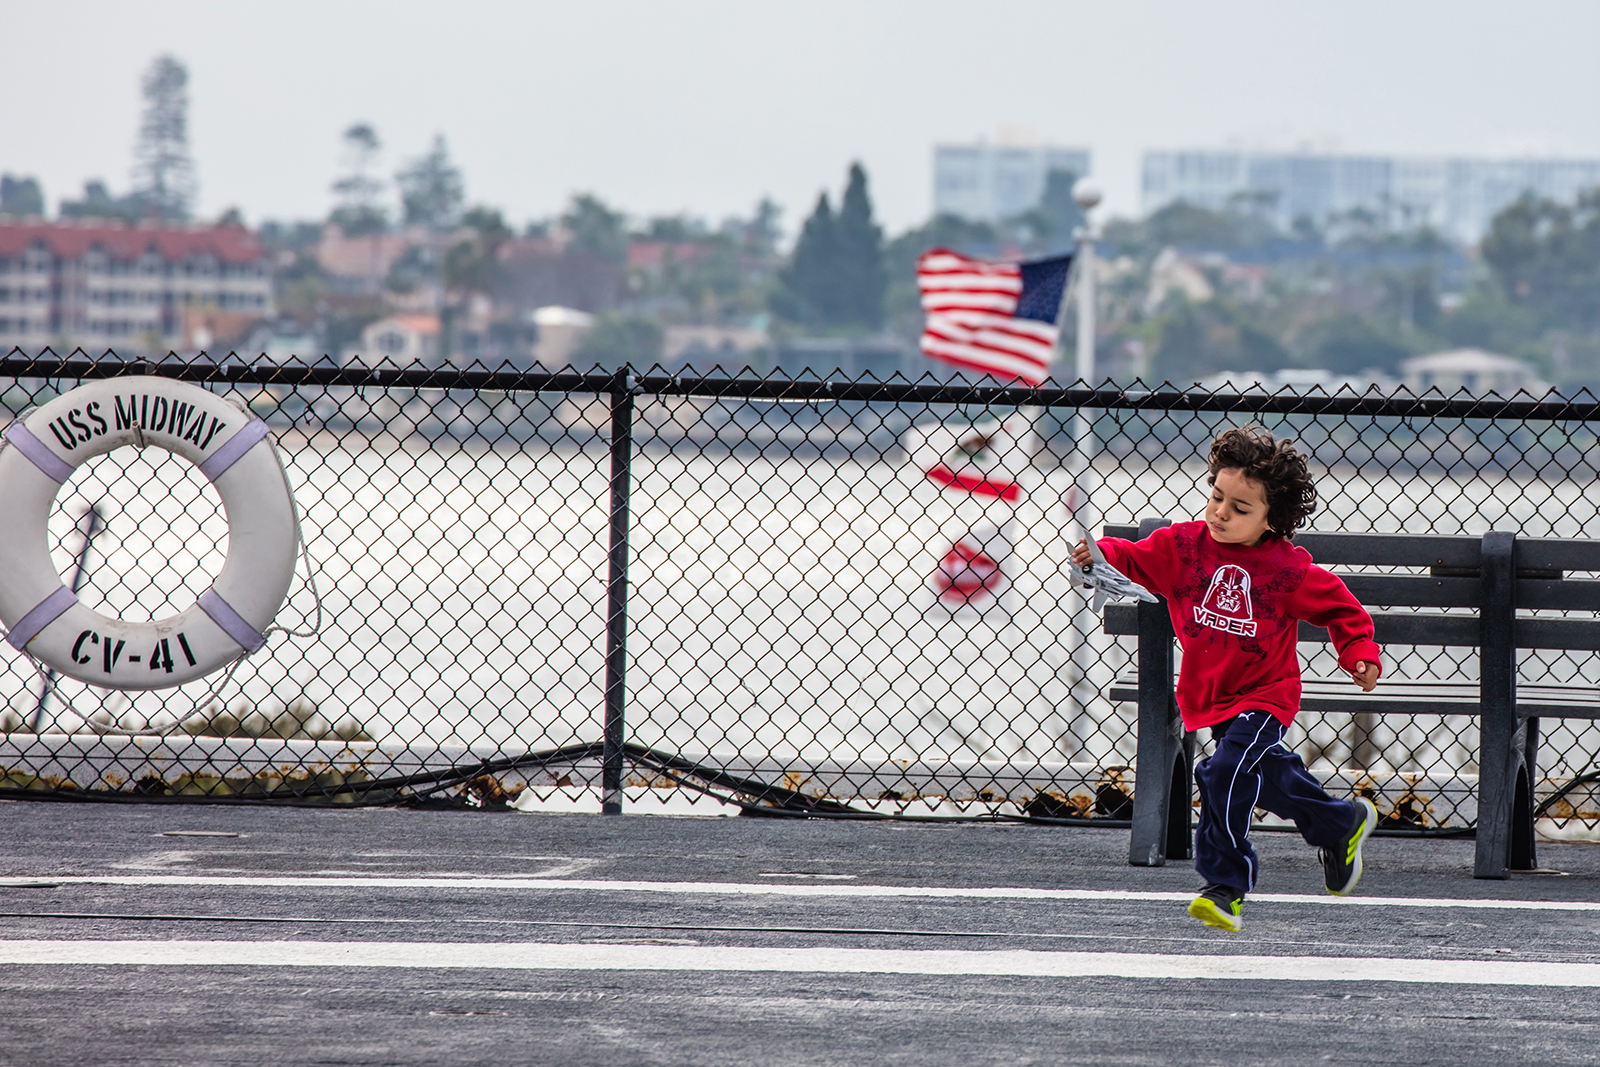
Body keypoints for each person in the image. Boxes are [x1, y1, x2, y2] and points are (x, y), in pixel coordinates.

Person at [1072, 427, 1382, 932]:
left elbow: (1342, 610)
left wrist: (1359, 653)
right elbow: (1132, 556)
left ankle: (1225, 886)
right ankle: (1339, 823)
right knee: (1269, 778)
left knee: (1222, 774)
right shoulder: (1183, 547)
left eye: (1240, 509)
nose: (1220, 512)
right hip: (1209, 695)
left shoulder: (1287, 570)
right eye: (1217, 497)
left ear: (1272, 519)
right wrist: (1099, 554)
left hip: (1265, 696)